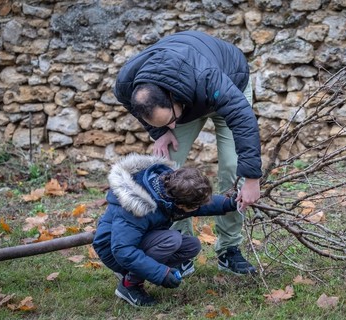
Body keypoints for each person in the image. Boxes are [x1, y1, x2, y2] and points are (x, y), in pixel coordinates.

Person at [113, 30, 262, 276]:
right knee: (166, 170)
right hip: (185, 94)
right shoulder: (126, 84)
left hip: (229, 82)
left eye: (171, 120)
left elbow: (243, 120)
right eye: (165, 123)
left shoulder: (209, 78)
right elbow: (135, 107)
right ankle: (179, 246)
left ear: (173, 97)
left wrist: (252, 178)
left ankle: (229, 248)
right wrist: (158, 131)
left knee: (232, 168)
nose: (172, 126)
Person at [92, 153, 239, 307]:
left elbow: (199, 204)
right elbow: (123, 250)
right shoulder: (137, 206)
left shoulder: (167, 190)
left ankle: (137, 271)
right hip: (113, 250)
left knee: (192, 245)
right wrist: (161, 274)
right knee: (171, 240)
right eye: (195, 207)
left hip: (136, 240)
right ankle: (130, 286)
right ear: (180, 204)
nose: (198, 209)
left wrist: (228, 203)